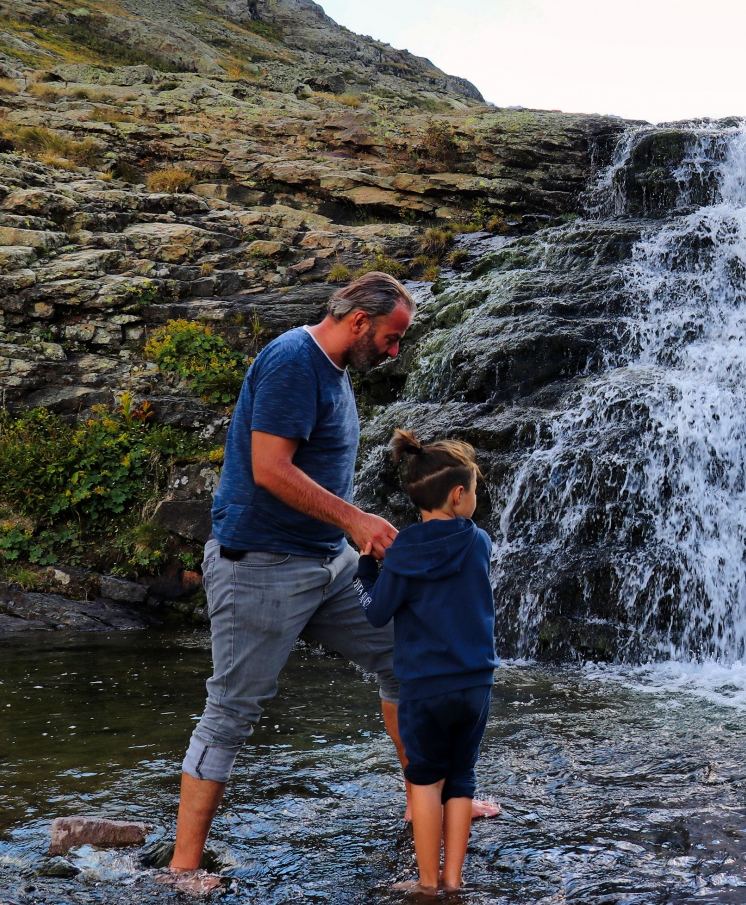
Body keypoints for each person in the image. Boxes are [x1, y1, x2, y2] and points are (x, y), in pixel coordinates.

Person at [162, 273, 495, 892]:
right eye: (393, 339)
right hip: (260, 566)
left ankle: (425, 798)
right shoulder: (294, 361)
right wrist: (356, 519)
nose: (396, 352)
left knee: (405, 661)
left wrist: (350, 537)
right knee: (231, 710)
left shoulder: (334, 370)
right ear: (360, 321)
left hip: (326, 563)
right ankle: (182, 869)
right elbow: (269, 468)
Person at [354, 434, 497, 895]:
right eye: (474, 488)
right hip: (475, 683)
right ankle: (455, 881)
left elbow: (376, 612)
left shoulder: (402, 556)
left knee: (424, 780)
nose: (476, 497)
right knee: (461, 779)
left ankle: (427, 882)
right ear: (458, 495)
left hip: (422, 689)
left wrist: (368, 571)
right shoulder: (479, 543)